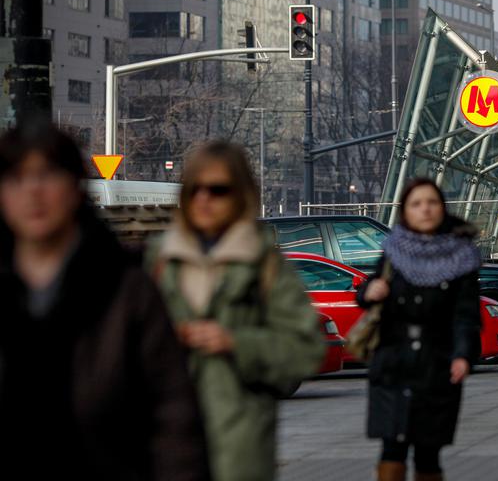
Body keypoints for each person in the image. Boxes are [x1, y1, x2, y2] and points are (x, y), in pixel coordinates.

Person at [0, 124, 209, 479]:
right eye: (16, 178)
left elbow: (173, 416)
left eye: (47, 174)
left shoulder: (127, 291)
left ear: (75, 188)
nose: (32, 191)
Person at [147, 140, 325, 481]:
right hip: (165, 448)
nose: (203, 199)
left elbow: (307, 350)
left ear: (241, 194)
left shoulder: (264, 263)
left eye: (218, 190)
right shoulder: (159, 260)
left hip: (239, 451)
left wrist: (236, 342)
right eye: (194, 189)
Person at [357, 178, 481, 481]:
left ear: (442, 207)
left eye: (432, 202)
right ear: (405, 212)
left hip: (436, 365)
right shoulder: (393, 250)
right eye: (416, 204)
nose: (425, 209)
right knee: (392, 448)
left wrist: (462, 355)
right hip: (393, 363)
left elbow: (465, 314)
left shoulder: (462, 255)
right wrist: (368, 291)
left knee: (428, 452)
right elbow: (368, 290)